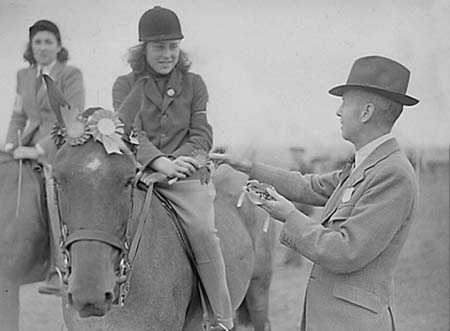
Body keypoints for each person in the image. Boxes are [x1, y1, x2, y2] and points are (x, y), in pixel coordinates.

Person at [211, 55, 419, 331]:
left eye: (345, 103)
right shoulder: (368, 164)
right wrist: (247, 166)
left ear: (366, 112)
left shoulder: (393, 174)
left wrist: (288, 215)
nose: (338, 112)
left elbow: (346, 251)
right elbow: (308, 186)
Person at [112, 7, 233, 331]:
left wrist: (185, 161)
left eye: (173, 47)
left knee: (205, 234)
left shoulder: (194, 84)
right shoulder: (125, 85)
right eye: (159, 47)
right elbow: (128, 130)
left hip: (186, 178)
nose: (167, 54)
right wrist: (160, 162)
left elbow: (201, 132)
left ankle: (221, 318)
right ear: (143, 50)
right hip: (142, 174)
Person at [3, 19, 85, 295]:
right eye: (37, 41)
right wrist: (10, 144)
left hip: (58, 146)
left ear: (59, 46)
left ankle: (58, 267)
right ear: (31, 46)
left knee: (51, 188)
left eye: (48, 41)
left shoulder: (70, 74)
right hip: (24, 145)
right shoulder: (23, 76)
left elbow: (72, 116)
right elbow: (17, 116)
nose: (42, 47)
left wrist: (39, 150)